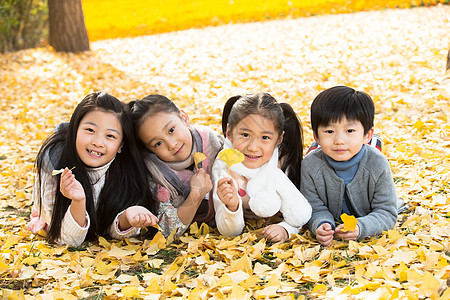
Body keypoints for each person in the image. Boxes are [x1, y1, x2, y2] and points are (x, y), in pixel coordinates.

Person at [28, 92, 159, 247]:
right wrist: (78, 201)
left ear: (121, 145)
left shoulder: (125, 170)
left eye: (110, 136)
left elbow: (109, 229)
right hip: (57, 219)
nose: (98, 142)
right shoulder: (53, 167)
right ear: (75, 129)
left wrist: (126, 218)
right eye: (90, 130)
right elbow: (67, 240)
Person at [301, 86, 398, 247]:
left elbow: (386, 212)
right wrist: (321, 223)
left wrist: (361, 227)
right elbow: (313, 207)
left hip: (365, 213)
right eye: (329, 131)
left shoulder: (377, 164)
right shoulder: (310, 166)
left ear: (367, 134)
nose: (339, 140)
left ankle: (376, 142)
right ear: (316, 136)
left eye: (350, 130)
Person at [213, 92, 312, 243]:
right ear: (229, 133)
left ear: (279, 139)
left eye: (265, 137)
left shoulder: (280, 165)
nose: (253, 147)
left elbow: (298, 213)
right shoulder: (225, 167)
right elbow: (228, 231)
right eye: (245, 135)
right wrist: (231, 207)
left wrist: (286, 229)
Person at [129, 94, 224, 237]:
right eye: (158, 143)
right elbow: (167, 230)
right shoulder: (157, 174)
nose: (171, 144)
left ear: (184, 118)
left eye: (171, 130)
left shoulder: (213, 143)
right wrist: (196, 195)